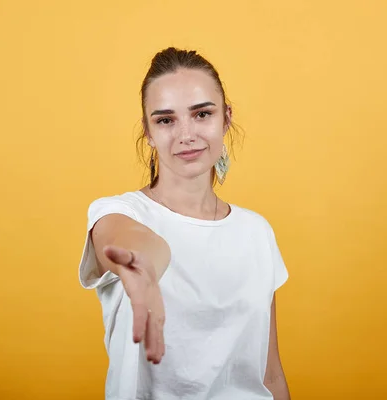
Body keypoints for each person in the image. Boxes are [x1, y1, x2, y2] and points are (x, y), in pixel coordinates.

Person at [78, 47, 290, 400]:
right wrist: (143, 266)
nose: (186, 134)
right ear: (147, 130)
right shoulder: (118, 213)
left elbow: (269, 374)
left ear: (226, 118)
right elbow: (134, 241)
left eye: (202, 114)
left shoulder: (256, 232)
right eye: (165, 120)